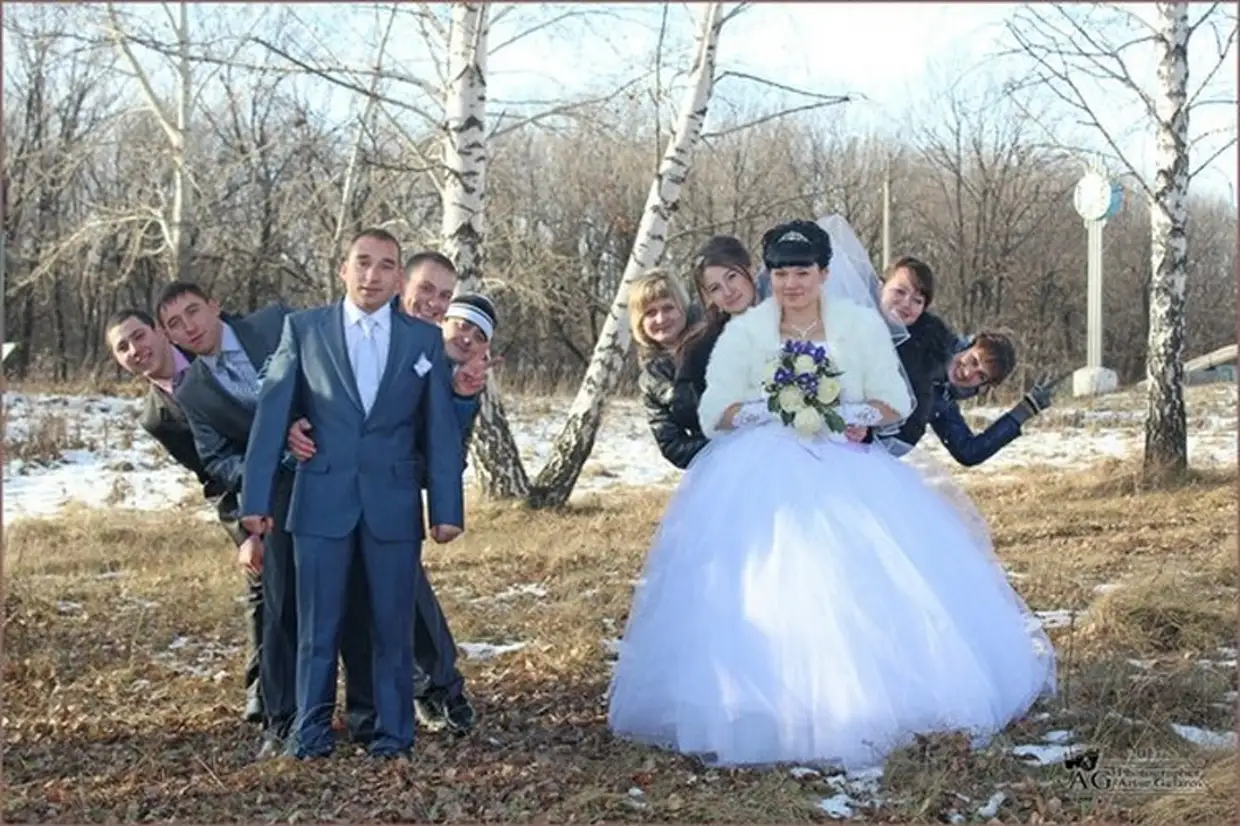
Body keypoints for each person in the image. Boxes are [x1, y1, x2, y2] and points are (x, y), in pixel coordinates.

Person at [607, 217, 1056, 772]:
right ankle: (759, 703)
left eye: (799, 272)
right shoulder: (711, 340)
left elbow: (885, 395)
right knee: (761, 577)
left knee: (852, 571)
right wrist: (759, 410)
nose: (785, 283)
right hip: (752, 463)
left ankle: (864, 698)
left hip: (834, 456)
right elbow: (704, 410)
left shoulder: (843, 322)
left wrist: (847, 414)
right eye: (716, 287)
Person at [240, 228, 465, 760]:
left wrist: (447, 508)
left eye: (386, 265)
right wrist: (255, 501)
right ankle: (310, 732)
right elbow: (272, 415)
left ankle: (393, 735)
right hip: (321, 499)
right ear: (343, 268)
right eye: (362, 262)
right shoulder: (304, 330)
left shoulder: (422, 341)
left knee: (391, 626)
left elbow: (439, 429)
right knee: (317, 626)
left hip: (393, 502)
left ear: (398, 278)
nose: (372, 275)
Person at [157, 281, 374, 758]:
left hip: (334, 473)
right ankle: (286, 722)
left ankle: (369, 716)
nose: (189, 327)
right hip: (275, 500)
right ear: (169, 337)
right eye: (175, 324)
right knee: (282, 610)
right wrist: (270, 457)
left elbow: (334, 364)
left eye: (193, 311)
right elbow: (216, 458)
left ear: (215, 305)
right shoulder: (192, 391)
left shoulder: (275, 323)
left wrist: (307, 421)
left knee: (353, 596)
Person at [285, 265, 495, 735]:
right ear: (402, 284)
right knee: (329, 612)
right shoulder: (339, 327)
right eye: (427, 291)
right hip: (322, 492)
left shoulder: (452, 371)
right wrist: (289, 424)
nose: (434, 304)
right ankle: (314, 714)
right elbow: (288, 383)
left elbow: (445, 455)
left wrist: (461, 399)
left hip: (388, 501)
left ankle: (430, 691)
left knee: (400, 603)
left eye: (445, 296)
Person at [104, 308, 262, 724]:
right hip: (249, 498)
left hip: (302, 462)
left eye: (139, 336)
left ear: (159, 330)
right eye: (123, 348)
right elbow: (210, 474)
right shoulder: (156, 418)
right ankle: (264, 697)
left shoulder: (207, 348)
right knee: (261, 584)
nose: (135, 350)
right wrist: (244, 532)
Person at [629, 270, 704, 469]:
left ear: (683, 308)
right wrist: (719, 447)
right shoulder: (652, 379)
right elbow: (672, 446)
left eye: (668, 308)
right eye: (650, 313)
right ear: (640, 322)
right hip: (715, 461)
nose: (661, 319)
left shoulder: (715, 337)